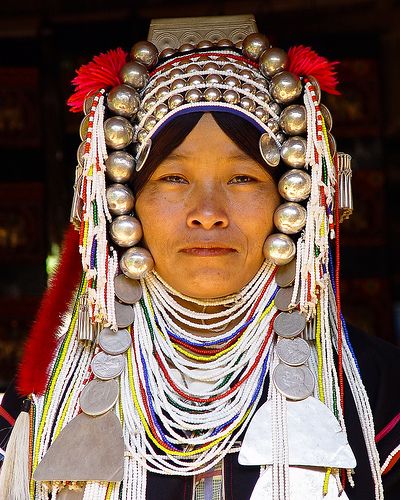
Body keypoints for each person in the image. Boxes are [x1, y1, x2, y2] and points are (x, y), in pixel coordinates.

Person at [0, 14, 399, 500]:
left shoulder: (380, 399)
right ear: (120, 200)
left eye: (243, 179)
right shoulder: (42, 411)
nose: (207, 213)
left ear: (294, 201)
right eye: (173, 179)